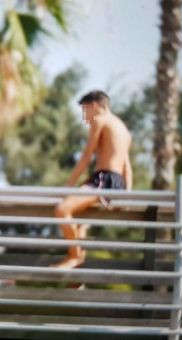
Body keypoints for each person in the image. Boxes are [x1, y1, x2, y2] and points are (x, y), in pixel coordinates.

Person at [52, 90, 132, 269]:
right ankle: (77, 280)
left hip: (103, 180)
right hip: (114, 182)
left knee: (62, 209)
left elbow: (86, 156)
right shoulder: (123, 129)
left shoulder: (100, 120)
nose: (85, 117)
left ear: (95, 106)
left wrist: (69, 185)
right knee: (79, 224)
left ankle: (74, 257)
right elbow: (127, 167)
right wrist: (127, 196)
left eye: (85, 111)